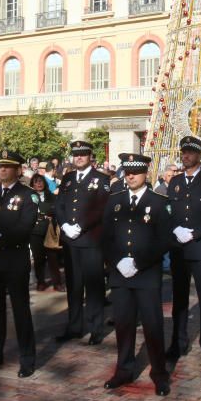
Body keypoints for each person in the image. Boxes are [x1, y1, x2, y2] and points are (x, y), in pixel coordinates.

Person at [100, 153, 172, 396]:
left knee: (152, 325)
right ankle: (124, 370)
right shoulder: (115, 200)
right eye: (127, 171)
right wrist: (116, 261)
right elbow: (106, 237)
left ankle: (159, 373)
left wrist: (139, 262)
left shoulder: (159, 201)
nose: (130, 176)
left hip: (146, 274)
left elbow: (164, 239)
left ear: (146, 174)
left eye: (136, 172)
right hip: (120, 274)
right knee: (123, 324)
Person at [0, 150, 39, 377]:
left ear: (18, 170)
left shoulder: (28, 195)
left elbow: (24, 227)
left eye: (8, 166)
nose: (2, 170)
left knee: (20, 310)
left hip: (13, 260)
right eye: (1, 166)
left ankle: (27, 359)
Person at [166, 136, 201, 366]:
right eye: (183, 151)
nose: (185, 155)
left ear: (199, 155)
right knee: (179, 299)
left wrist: (195, 233)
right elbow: (169, 210)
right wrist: (175, 229)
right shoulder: (175, 181)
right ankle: (177, 343)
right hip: (180, 249)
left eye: (190, 152)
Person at [54, 140, 111, 345]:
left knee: (94, 286)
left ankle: (96, 328)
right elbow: (59, 205)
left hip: (90, 241)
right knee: (74, 286)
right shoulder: (68, 178)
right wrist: (64, 224)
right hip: (70, 241)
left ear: (90, 157)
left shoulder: (101, 179)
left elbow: (102, 208)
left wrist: (82, 226)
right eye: (76, 154)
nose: (79, 157)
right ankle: (74, 326)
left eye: (83, 154)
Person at [29, 173, 62, 291]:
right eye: (36, 181)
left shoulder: (52, 196)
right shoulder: (29, 196)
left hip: (49, 231)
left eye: (41, 181)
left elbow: (57, 210)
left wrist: (51, 215)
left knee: (53, 258)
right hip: (35, 232)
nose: (39, 184)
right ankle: (40, 281)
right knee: (38, 258)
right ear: (32, 184)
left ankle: (57, 283)